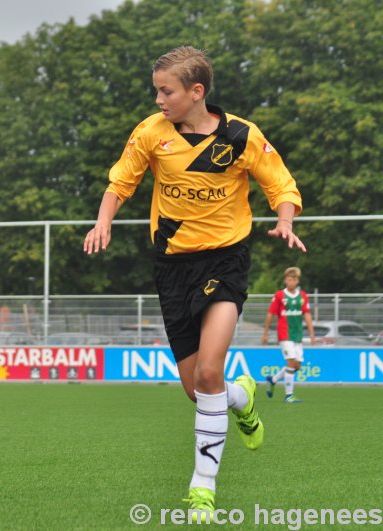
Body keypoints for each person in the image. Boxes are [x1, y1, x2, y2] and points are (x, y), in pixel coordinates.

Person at [83, 46, 306, 520]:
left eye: (167, 91)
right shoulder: (150, 132)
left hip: (226, 261)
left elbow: (280, 184)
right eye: (157, 90)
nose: (159, 99)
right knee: (198, 387)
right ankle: (241, 397)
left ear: (196, 91)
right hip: (171, 268)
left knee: (208, 373)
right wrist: (103, 221)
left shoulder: (241, 136)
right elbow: (120, 183)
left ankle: (202, 487)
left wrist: (285, 220)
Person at [261, 266, 316, 403]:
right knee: (290, 362)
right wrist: (265, 333)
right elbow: (270, 314)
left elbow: (307, 314)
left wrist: (312, 333)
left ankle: (272, 380)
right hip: (284, 334)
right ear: (285, 280)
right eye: (288, 279)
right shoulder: (279, 295)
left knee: (297, 366)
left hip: (297, 335)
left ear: (297, 281)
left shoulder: (303, 296)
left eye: (294, 279)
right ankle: (288, 395)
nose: (291, 282)